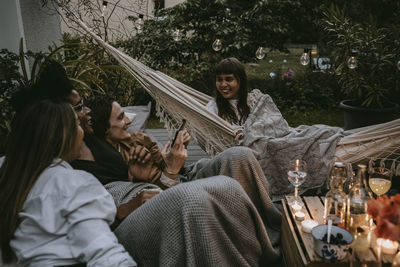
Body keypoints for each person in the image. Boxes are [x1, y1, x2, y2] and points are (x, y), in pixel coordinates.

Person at [20, 59, 282, 266]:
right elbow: (79, 220)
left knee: (240, 156)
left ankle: (266, 239)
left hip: (145, 189)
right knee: (198, 198)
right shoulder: (55, 166)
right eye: (78, 108)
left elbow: (135, 169)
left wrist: (145, 172)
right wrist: (155, 180)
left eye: (85, 105)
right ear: (57, 116)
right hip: (128, 209)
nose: (86, 111)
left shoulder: (94, 137)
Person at [0, 98, 136, 266]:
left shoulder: (7, 172)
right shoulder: (74, 183)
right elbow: (106, 256)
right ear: (64, 136)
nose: (83, 132)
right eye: (78, 124)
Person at [206, 57, 347, 201]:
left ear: (240, 81)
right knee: (287, 147)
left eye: (229, 79)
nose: (223, 84)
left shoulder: (254, 100)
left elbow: (273, 122)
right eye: (219, 79)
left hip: (277, 136)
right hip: (251, 150)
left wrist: (252, 131)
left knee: (318, 135)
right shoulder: (213, 108)